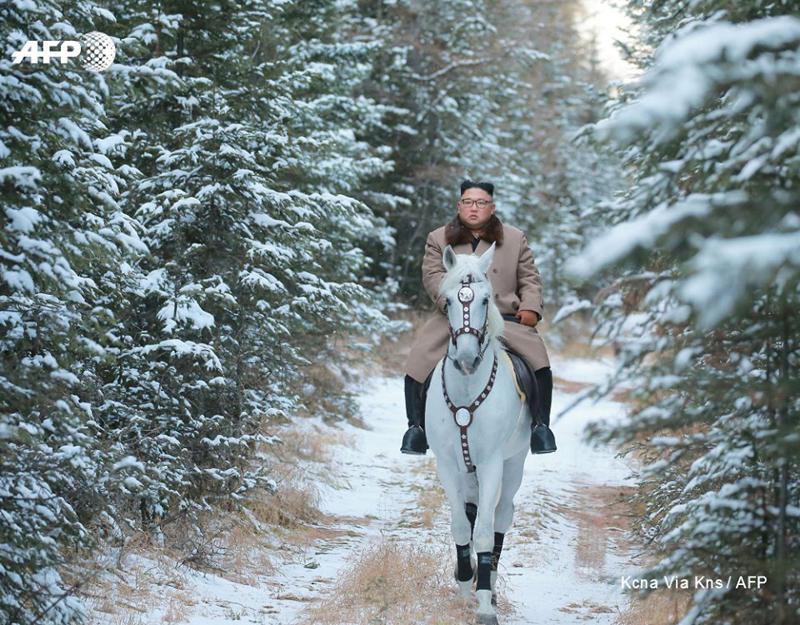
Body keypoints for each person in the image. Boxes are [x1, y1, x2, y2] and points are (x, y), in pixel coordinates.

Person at [401, 179, 553, 455]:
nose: (474, 208)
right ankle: (417, 429)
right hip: (454, 317)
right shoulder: (438, 239)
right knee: (418, 361)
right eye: (468, 202)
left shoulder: (515, 238)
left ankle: (540, 427)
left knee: (539, 364)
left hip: (504, 318)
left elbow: (530, 278)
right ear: (459, 206)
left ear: (492, 207)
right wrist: (449, 303)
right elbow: (432, 276)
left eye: (481, 203)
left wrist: (530, 307)